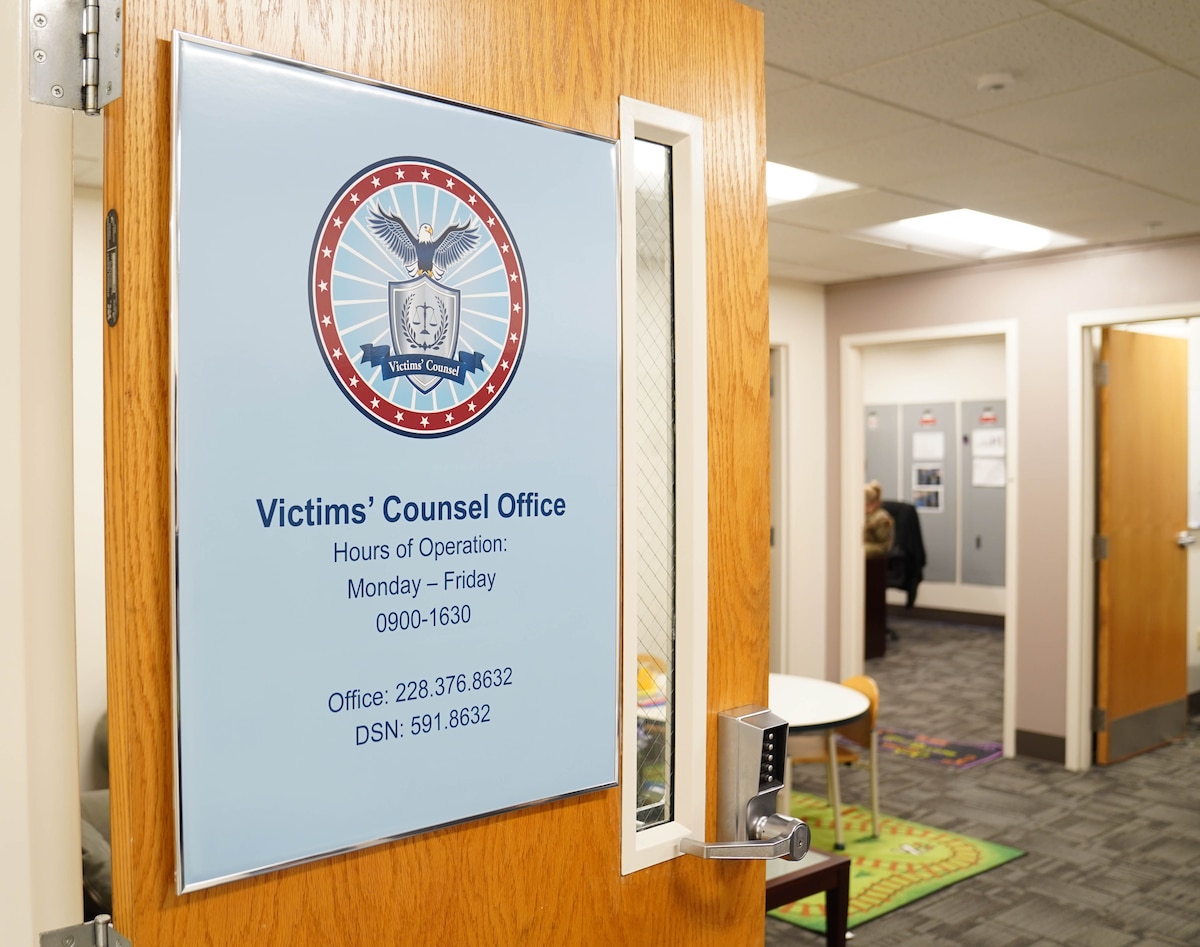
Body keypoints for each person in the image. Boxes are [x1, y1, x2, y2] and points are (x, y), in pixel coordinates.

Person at [863, 480, 894, 557]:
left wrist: (860, 549)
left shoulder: (882, 518)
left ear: (874, 504)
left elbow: (884, 546)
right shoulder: (863, 516)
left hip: (875, 559)